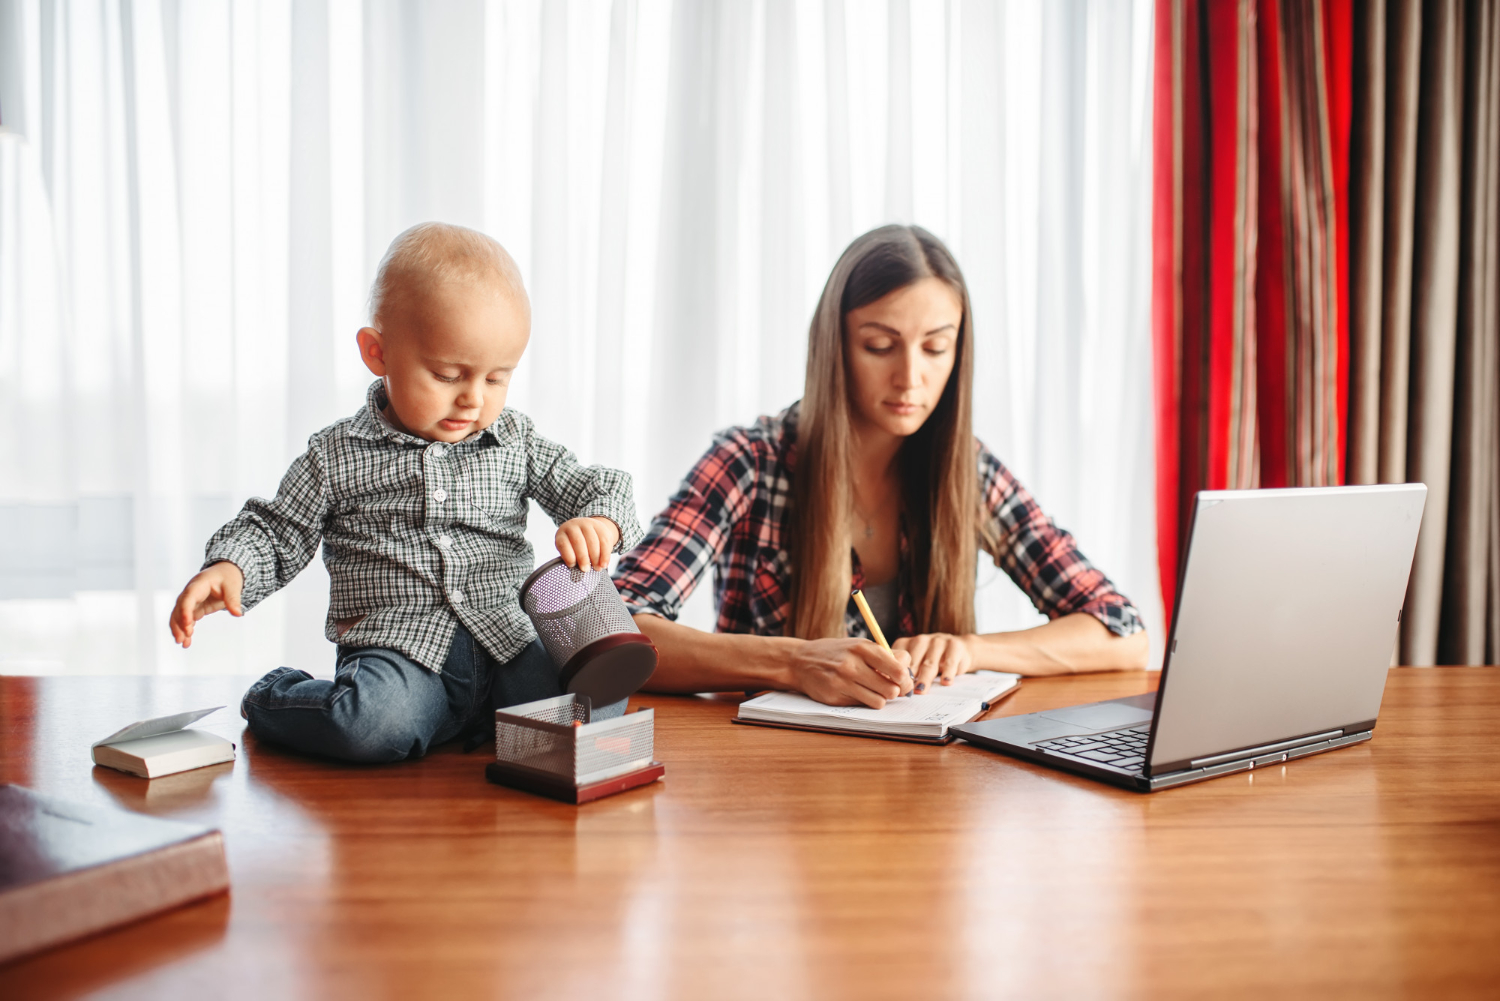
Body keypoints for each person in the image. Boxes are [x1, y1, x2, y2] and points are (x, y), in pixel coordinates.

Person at [614, 224, 1148, 708]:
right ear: (837, 345)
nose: (910, 377)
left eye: (936, 348)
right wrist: (792, 662)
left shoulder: (968, 473)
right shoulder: (750, 461)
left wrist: (972, 650)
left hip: (930, 788)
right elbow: (611, 631)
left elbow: (1122, 634)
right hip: (776, 785)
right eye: (879, 345)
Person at [168, 223, 642, 762]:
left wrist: (600, 522)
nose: (472, 400)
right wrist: (231, 567)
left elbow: (600, 486)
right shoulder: (336, 455)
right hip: (404, 654)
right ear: (378, 353)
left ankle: (492, 726)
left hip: (507, 644)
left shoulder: (516, 440)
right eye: (447, 374)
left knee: (596, 702)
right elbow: (277, 530)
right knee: (371, 726)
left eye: (495, 379)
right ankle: (274, 695)